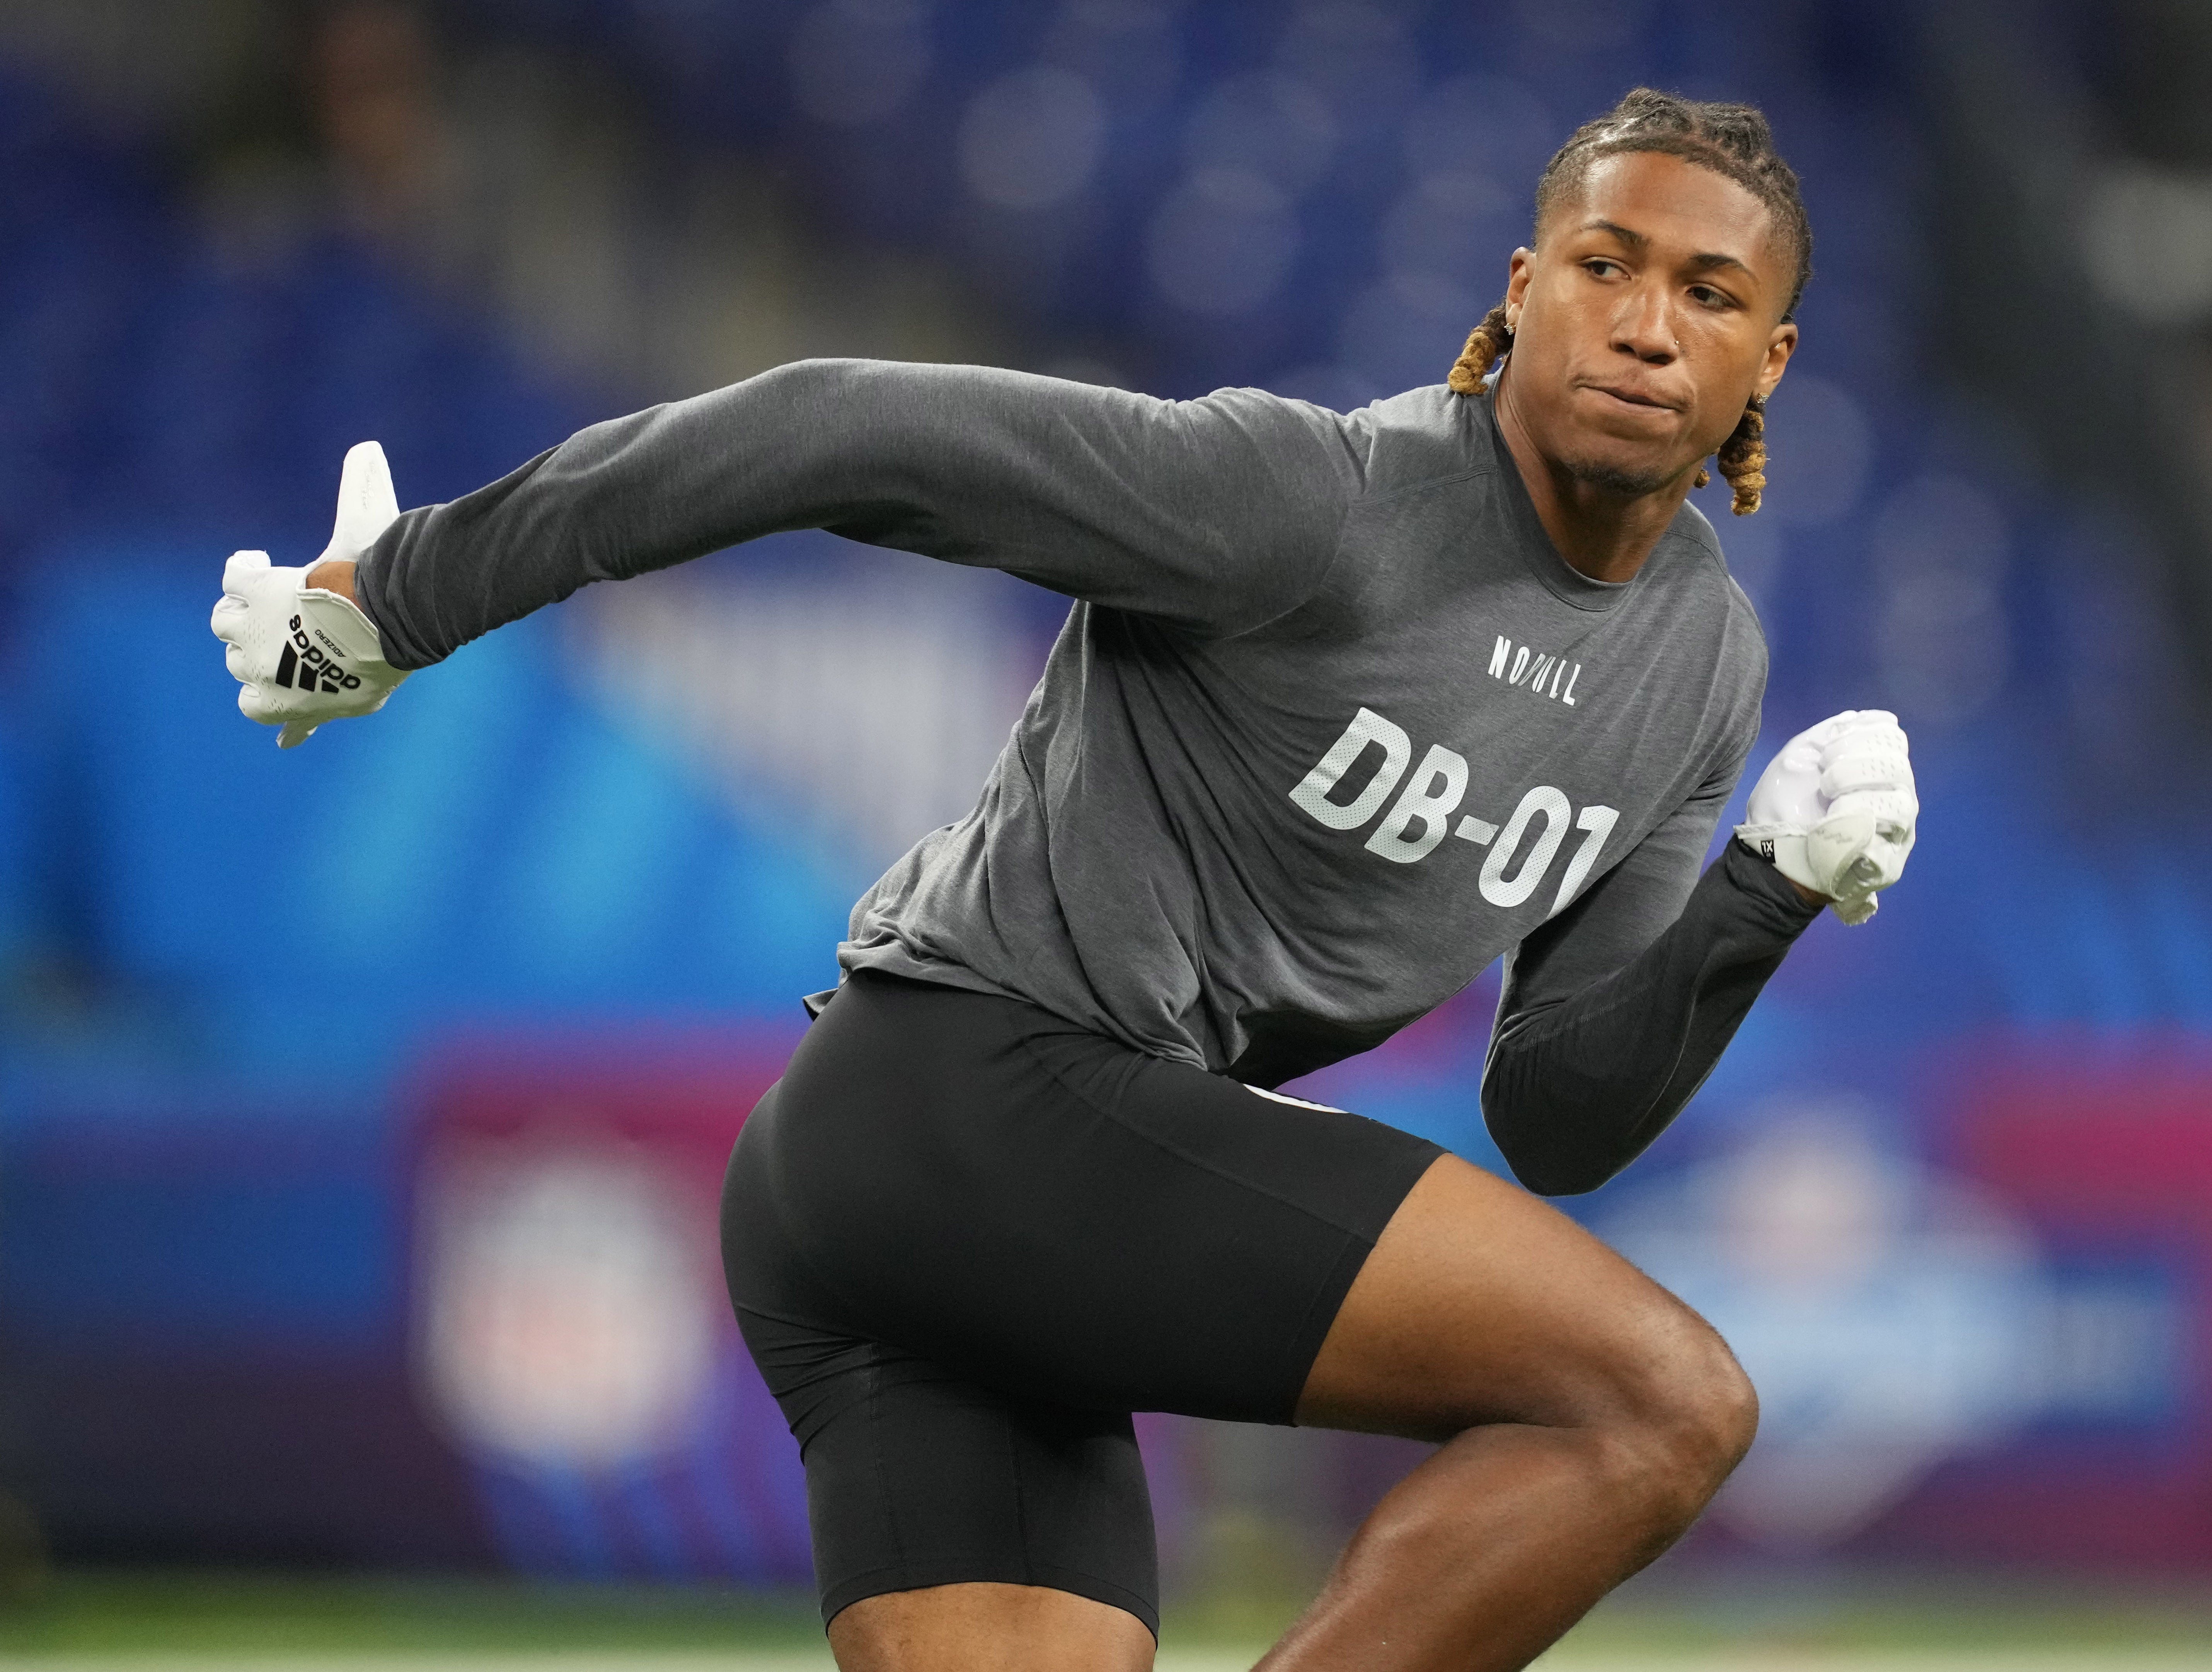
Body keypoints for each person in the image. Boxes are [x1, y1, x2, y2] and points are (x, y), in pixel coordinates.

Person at [213, 87, 1915, 1672]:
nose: (1640, 322)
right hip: (954, 1100)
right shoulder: (1314, 503)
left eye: (1703, 292)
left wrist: (1758, 892)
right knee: (1660, 1400)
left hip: (1006, 1234)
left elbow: (1557, 1112)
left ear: (1763, 361)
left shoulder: (1697, 665)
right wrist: (405, 590)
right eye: (1604, 265)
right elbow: (837, 427)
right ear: (1523, 285)